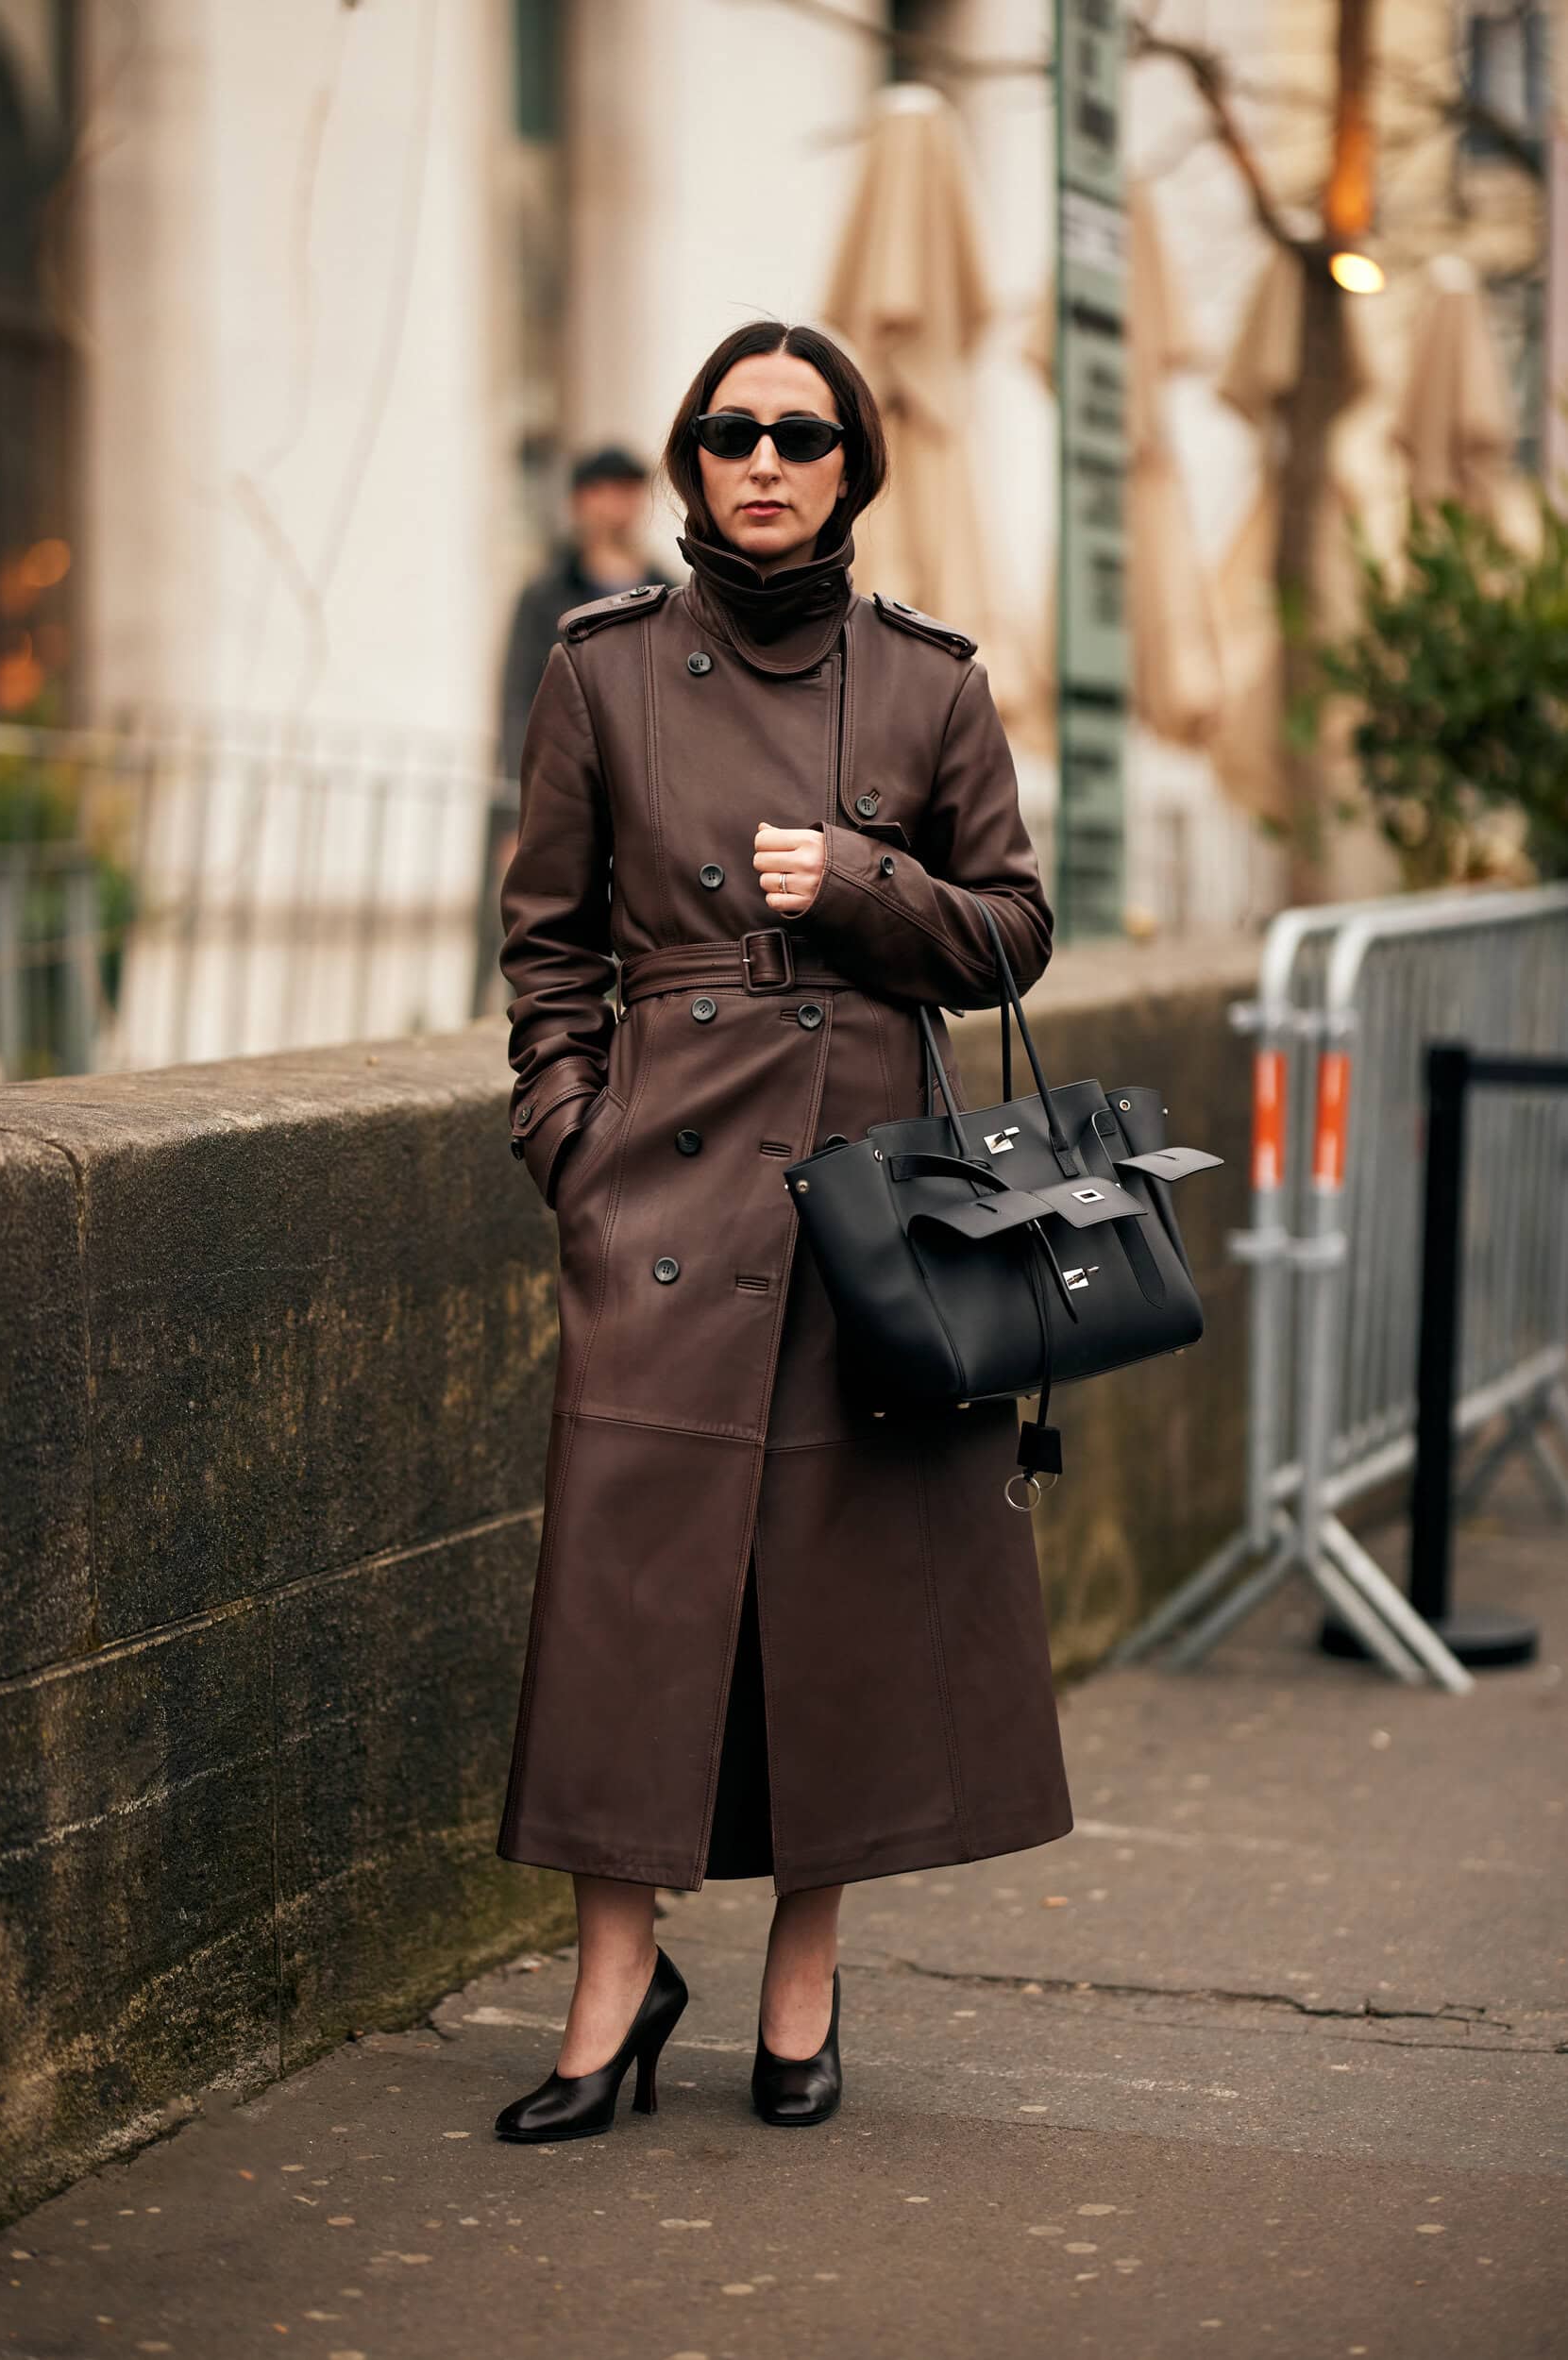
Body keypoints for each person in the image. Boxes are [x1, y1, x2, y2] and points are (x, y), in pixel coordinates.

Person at [490, 319, 1073, 2144]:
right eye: (728, 429)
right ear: (686, 458)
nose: (761, 459)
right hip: (656, 1186)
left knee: (842, 1597)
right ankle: (610, 1983)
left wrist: (869, 879)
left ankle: (802, 1981)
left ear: (850, 467)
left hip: (866, 1204)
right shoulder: (599, 672)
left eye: (799, 435)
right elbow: (544, 949)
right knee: (623, 1597)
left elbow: (1015, 936)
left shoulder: (928, 686)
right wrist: (573, 1149)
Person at [496, 445, 672, 782]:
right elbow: (519, 702)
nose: (615, 506)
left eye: (626, 491)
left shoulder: (669, 593)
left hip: (644, 778)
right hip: (563, 774)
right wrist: (516, 805)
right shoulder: (543, 596)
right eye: (603, 492)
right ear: (579, 502)